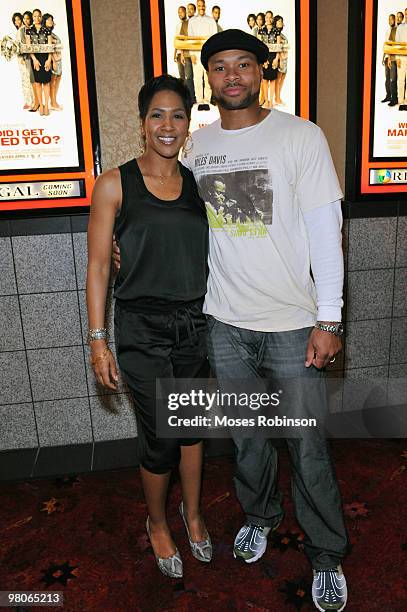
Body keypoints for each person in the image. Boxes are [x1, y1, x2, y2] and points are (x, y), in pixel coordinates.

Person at [113, 28, 350, 612]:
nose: (233, 76)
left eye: (244, 64)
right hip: (221, 321)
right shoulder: (195, 147)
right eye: (220, 67)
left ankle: (326, 553)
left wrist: (331, 318)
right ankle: (260, 516)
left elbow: (327, 231)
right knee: (247, 441)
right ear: (208, 80)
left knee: (308, 446)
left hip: (294, 322)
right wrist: (125, 244)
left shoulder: (300, 135)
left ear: (262, 70)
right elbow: (164, 207)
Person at [87, 75, 211, 580]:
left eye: (177, 115)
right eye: (157, 115)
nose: (168, 125)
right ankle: (157, 521)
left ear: (188, 124)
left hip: (198, 322)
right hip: (141, 327)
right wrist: (98, 341)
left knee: (194, 430)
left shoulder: (201, 183)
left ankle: (195, 513)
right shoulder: (114, 183)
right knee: (161, 434)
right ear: (142, 124)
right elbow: (98, 265)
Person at [187, 0, 218, 110]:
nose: (201, 7)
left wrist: (212, 55)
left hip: (208, 54)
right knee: (197, 78)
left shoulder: (211, 21)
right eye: (199, 6)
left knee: (208, 77)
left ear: (205, 6)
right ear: (197, 6)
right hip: (196, 53)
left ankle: (207, 101)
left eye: (203, 5)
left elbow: (214, 39)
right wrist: (191, 54)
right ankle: (200, 101)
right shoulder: (192, 21)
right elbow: (190, 38)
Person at [26, 8, 52, 116]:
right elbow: (29, 47)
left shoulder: (46, 30)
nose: (37, 18)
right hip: (35, 59)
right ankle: (41, 105)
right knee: (37, 83)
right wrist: (34, 60)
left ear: (41, 17)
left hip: (45, 58)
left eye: (39, 16)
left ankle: (46, 105)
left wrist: (49, 60)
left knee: (46, 82)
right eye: (35, 16)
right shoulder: (29, 30)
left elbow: (50, 46)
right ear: (33, 17)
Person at [12, 11, 34, 110]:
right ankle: (30, 100)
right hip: (22, 58)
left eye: (19, 19)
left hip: (25, 58)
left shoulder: (23, 30)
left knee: (28, 79)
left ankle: (30, 102)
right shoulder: (20, 30)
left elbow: (24, 45)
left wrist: (22, 57)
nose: (17, 21)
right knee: (26, 79)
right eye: (15, 20)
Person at [174, 5, 195, 101]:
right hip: (180, 53)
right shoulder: (179, 25)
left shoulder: (189, 24)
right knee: (182, 76)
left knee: (189, 76)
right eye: (178, 12)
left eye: (182, 12)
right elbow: (177, 40)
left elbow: (184, 40)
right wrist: (175, 53)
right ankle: (183, 97)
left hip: (187, 53)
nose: (180, 14)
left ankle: (191, 97)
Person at [43, 14, 62, 111]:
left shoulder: (51, 32)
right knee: (53, 81)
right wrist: (53, 61)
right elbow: (48, 48)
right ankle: (53, 103)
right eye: (48, 20)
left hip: (59, 59)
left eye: (51, 19)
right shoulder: (45, 33)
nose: (51, 21)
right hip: (53, 59)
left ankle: (54, 100)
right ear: (44, 21)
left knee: (58, 79)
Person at [259, 11, 278, 108]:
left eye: (270, 17)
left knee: (273, 80)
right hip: (265, 57)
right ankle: (266, 100)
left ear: (273, 18)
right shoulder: (261, 30)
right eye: (267, 17)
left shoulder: (276, 30)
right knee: (265, 80)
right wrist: (263, 60)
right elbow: (259, 46)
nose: (269, 19)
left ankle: (271, 102)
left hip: (274, 57)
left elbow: (279, 46)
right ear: (265, 18)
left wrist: (277, 59)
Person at [382, 13, 398, 106]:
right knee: (387, 78)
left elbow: (393, 46)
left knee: (393, 79)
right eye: (389, 19)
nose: (390, 21)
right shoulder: (388, 30)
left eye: (391, 19)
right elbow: (386, 45)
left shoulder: (396, 30)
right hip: (386, 57)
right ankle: (388, 96)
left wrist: (390, 58)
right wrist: (383, 56)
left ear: (394, 20)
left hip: (392, 58)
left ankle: (394, 98)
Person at [274, 15, 288, 106]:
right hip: (280, 58)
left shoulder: (281, 34)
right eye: (278, 21)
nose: (280, 23)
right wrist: (279, 57)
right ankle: (277, 98)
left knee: (282, 78)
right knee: (278, 79)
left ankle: (278, 96)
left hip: (285, 58)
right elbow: (277, 47)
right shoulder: (276, 34)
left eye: (281, 21)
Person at [396, 7, 407, 110]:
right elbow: (397, 43)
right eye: (406, 14)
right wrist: (397, 58)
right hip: (402, 57)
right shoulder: (400, 28)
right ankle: (401, 102)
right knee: (401, 79)